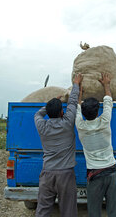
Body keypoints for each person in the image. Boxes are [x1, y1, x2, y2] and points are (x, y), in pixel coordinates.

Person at [34, 73, 83, 217]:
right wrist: (76, 84)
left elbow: (38, 114)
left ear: (48, 114)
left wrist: (51, 104)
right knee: (68, 210)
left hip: (47, 173)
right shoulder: (67, 123)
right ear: (62, 112)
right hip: (65, 174)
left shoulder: (42, 126)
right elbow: (73, 102)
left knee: (43, 210)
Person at [75, 73, 116, 217]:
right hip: (111, 173)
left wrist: (78, 86)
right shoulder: (105, 121)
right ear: (97, 112)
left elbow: (76, 104)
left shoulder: (80, 126)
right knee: (114, 210)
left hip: (95, 176)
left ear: (83, 112)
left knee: (94, 211)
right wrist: (106, 84)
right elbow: (108, 101)